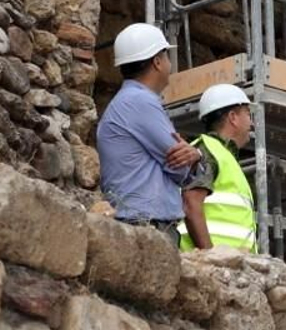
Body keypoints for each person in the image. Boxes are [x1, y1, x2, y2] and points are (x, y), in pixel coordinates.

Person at [96, 22, 200, 246]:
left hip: (140, 222)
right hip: (144, 225)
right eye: (166, 55)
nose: (169, 63)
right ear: (157, 62)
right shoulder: (139, 101)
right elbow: (179, 165)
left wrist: (193, 157)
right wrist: (193, 158)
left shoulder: (129, 101)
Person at [180, 83, 260, 252]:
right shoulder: (207, 150)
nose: (251, 123)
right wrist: (210, 256)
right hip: (210, 266)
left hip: (230, 267)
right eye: (247, 114)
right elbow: (191, 203)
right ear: (233, 117)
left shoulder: (223, 156)